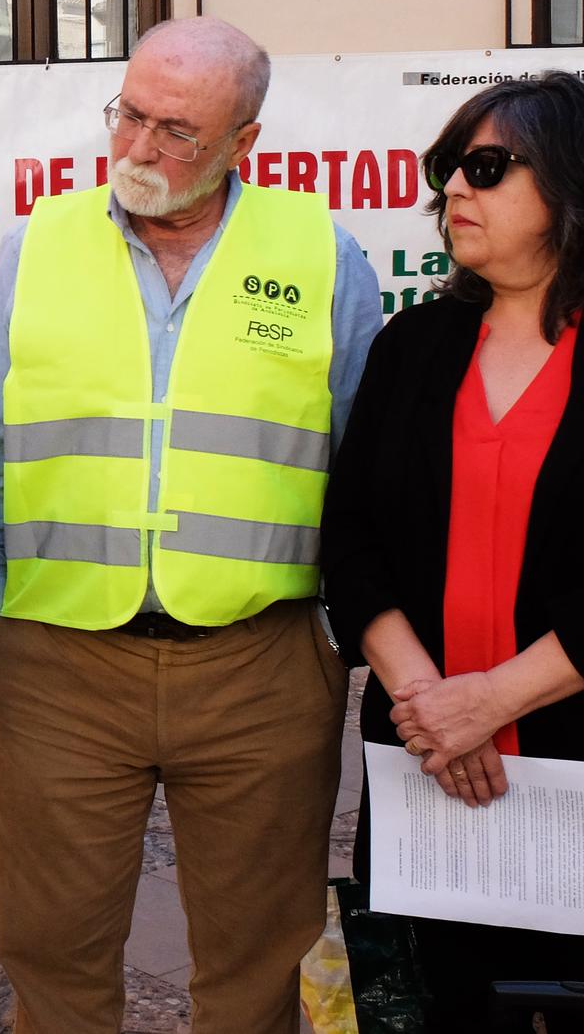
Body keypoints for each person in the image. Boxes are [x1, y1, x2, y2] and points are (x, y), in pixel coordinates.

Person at [0, 16, 383, 1033]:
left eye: (176, 131)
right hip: (55, 664)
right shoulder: (40, 244)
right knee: (50, 954)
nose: (140, 149)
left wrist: (329, 635)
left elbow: (362, 461)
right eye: (129, 116)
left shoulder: (319, 253)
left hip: (259, 672)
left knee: (257, 963)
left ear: (244, 142)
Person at [323, 73, 584, 1031]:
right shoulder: (415, 343)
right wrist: (428, 702)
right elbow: (346, 535)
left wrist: (495, 699)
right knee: (433, 1002)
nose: (453, 195)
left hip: (568, 762)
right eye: (446, 174)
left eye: (484, 167)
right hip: (423, 763)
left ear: (570, 182)